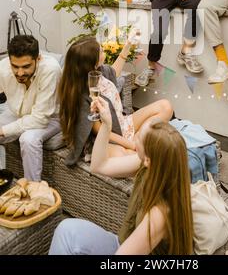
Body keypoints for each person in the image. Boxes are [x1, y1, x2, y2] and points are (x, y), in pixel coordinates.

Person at [49, 96, 193, 255]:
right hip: (123, 242)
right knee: (66, 229)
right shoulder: (152, 166)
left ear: (148, 159)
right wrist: (107, 124)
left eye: (138, 138)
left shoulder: (159, 215)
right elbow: (99, 165)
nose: (134, 137)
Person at [59, 36, 173, 166]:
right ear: (92, 62)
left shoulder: (100, 71)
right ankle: (139, 141)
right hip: (103, 137)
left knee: (166, 106)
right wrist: (131, 145)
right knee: (132, 157)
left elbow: (114, 71)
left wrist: (128, 44)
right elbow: (99, 129)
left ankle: (140, 140)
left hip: (121, 124)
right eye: (101, 51)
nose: (104, 52)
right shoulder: (81, 93)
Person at [0, 35, 61, 180]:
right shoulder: (3, 67)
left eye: (26, 66)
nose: (20, 73)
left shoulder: (50, 70)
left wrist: (2, 131)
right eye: (15, 66)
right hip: (17, 113)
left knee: (28, 140)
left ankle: (33, 190)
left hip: (51, 118)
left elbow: (40, 119)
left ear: (38, 59)